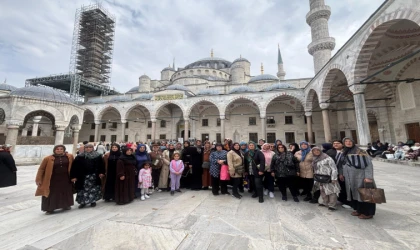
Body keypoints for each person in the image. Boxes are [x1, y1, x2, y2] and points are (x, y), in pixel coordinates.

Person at [338, 137, 376, 219]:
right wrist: (341, 173)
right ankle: (359, 210)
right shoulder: (344, 151)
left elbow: (369, 164)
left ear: (353, 142)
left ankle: (368, 213)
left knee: (365, 194)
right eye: (346, 141)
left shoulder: (360, 151)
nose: (348, 143)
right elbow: (341, 164)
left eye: (350, 141)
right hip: (349, 177)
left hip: (361, 176)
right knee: (354, 194)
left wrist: (368, 177)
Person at [35, 145, 74, 214]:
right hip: (52, 179)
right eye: (57, 149)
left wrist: (74, 176)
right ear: (54, 150)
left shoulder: (70, 156)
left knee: (65, 191)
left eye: (61, 149)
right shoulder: (48, 158)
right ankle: (50, 208)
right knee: (52, 193)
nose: (59, 150)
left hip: (66, 178)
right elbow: (41, 169)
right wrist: (38, 179)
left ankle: (66, 205)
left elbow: (74, 167)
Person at [70, 143, 105, 208]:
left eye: (90, 147)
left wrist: (101, 172)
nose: (88, 149)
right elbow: (74, 167)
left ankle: (93, 201)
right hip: (82, 176)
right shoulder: (80, 156)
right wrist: (73, 176)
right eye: (87, 148)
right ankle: (82, 202)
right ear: (84, 148)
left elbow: (101, 165)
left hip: (93, 175)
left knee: (93, 189)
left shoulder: (97, 156)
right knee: (82, 189)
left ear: (92, 148)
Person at [326, 140, 351, 208]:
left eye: (338, 143)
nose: (335, 144)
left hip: (343, 172)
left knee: (344, 186)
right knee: (336, 186)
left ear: (342, 144)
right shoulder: (330, 151)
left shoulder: (346, 151)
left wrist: (341, 173)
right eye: (334, 143)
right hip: (332, 172)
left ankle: (347, 201)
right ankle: (340, 199)